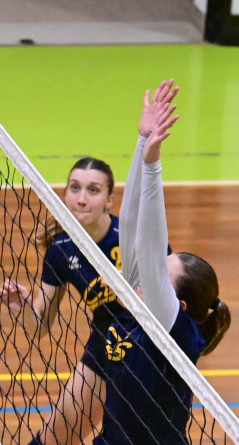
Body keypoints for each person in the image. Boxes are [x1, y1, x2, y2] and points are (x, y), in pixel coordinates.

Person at [0, 81, 175, 445]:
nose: (81, 198)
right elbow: (39, 327)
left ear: (110, 200)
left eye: (93, 190)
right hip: (106, 344)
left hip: (151, 351)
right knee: (51, 439)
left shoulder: (134, 237)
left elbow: (174, 299)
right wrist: (23, 304)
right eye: (75, 188)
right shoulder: (61, 250)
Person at [92, 79, 231, 444]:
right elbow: (132, 227)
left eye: (159, 280)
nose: (142, 280)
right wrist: (142, 143)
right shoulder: (138, 313)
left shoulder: (178, 335)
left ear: (179, 306)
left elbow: (151, 250)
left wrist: (154, 166)